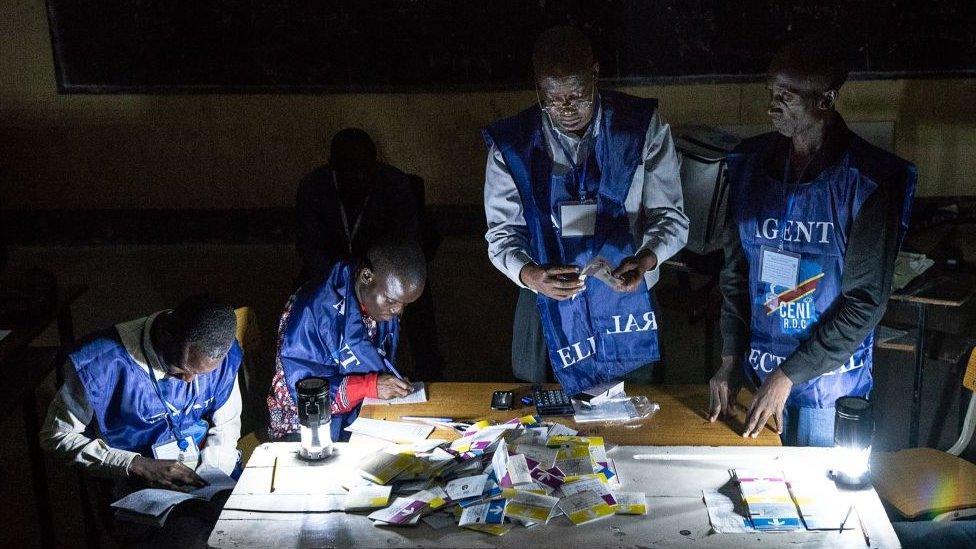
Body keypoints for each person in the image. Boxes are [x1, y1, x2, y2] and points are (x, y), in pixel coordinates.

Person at [708, 39, 916, 446]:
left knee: (818, 500)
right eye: (771, 93)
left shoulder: (868, 180)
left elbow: (865, 303)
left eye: (786, 97)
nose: (772, 106)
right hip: (758, 375)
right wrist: (731, 358)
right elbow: (736, 272)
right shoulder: (749, 166)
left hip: (826, 388)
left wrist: (788, 376)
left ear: (826, 100)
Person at [483, 25, 688, 395]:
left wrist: (645, 260)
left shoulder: (639, 128)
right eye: (552, 97)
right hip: (547, 300)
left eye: (577, 95)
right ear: (537, 87)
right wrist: (530, 275)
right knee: (547, 412)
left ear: (595, 73)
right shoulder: (512, 144)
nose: (565, 109)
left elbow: (671, 219)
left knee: (635, 409)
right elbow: (501, 235)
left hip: (627, 294)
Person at [40, 295, 243, 541]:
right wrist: (136, 464)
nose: (190, 381)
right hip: (139, 489)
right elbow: (55, 436)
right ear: (166, 334)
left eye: (201, 373)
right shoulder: (99, 364)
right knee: (192, 540)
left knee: (262, 523)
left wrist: (211, 474)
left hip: (205, 474)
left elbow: (227, 424)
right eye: (180, 370)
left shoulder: (222, 350)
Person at [295, 127, 444, 380]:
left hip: (383, 272)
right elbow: (310, 248)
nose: (359, 177)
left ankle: (430, 378)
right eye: (349, 170)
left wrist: (375, 278)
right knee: (307, 303)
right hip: (332, 274)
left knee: (410, 297)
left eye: (365, 168)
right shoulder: (313, 187)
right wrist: (348, 282)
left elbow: (407, 243)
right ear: (333, 167)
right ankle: (334, 378)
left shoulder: (395, 183)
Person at [267, 239, 427, 442]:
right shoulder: (313, 309)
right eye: (392, 300)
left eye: (404, 304)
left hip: (362, 411)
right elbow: (302, 391)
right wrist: (369, 386)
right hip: (305, 428)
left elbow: (374, 360)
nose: (398, 311)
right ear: (366, 276)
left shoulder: (375, 298)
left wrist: (388, 382)